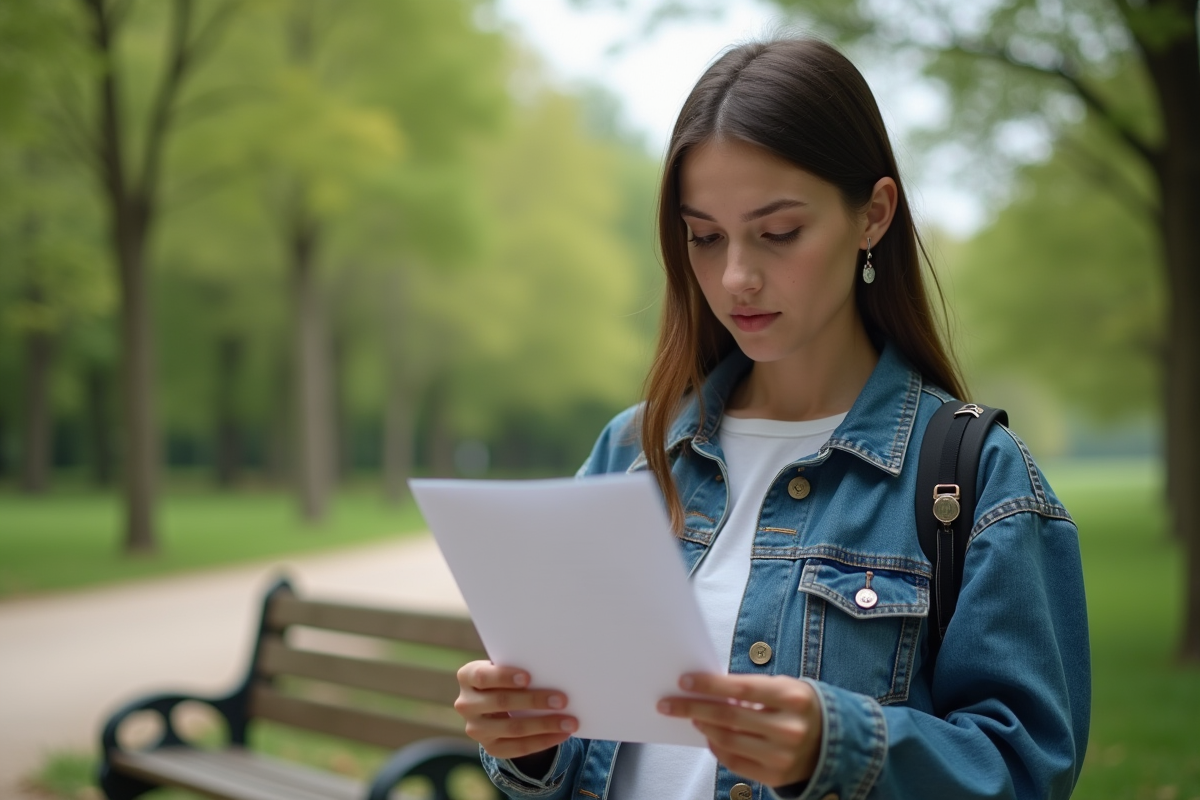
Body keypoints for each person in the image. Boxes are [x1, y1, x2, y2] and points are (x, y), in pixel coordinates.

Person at [452, 37, 1090, 800]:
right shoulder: (633, 450)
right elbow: (559, 756)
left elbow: (1026, 771)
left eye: (779, 232)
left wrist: (839, 746)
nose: (736, 277)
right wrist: (524, 744)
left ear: (873, 215)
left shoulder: (976, 478)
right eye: (706, 236)